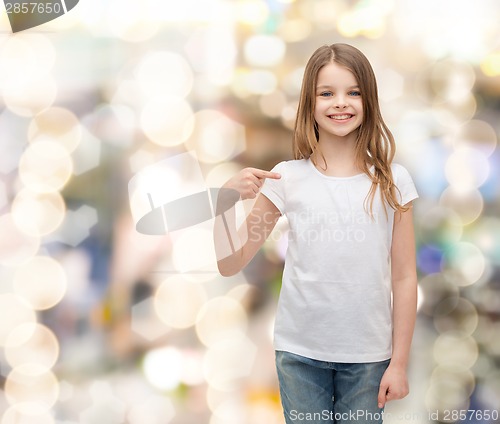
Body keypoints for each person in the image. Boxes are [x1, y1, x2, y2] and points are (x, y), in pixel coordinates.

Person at [213, 43, 418, 424]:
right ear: (310, 103)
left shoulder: (392, 182)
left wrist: (399, 362)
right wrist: (225, 204)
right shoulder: (287, 179)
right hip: (299, 356)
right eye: (327, 93)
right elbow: (231, 262)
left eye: (353, 92)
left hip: (369, 358)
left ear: (369, 100)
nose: (341, 103)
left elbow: (405, 277)